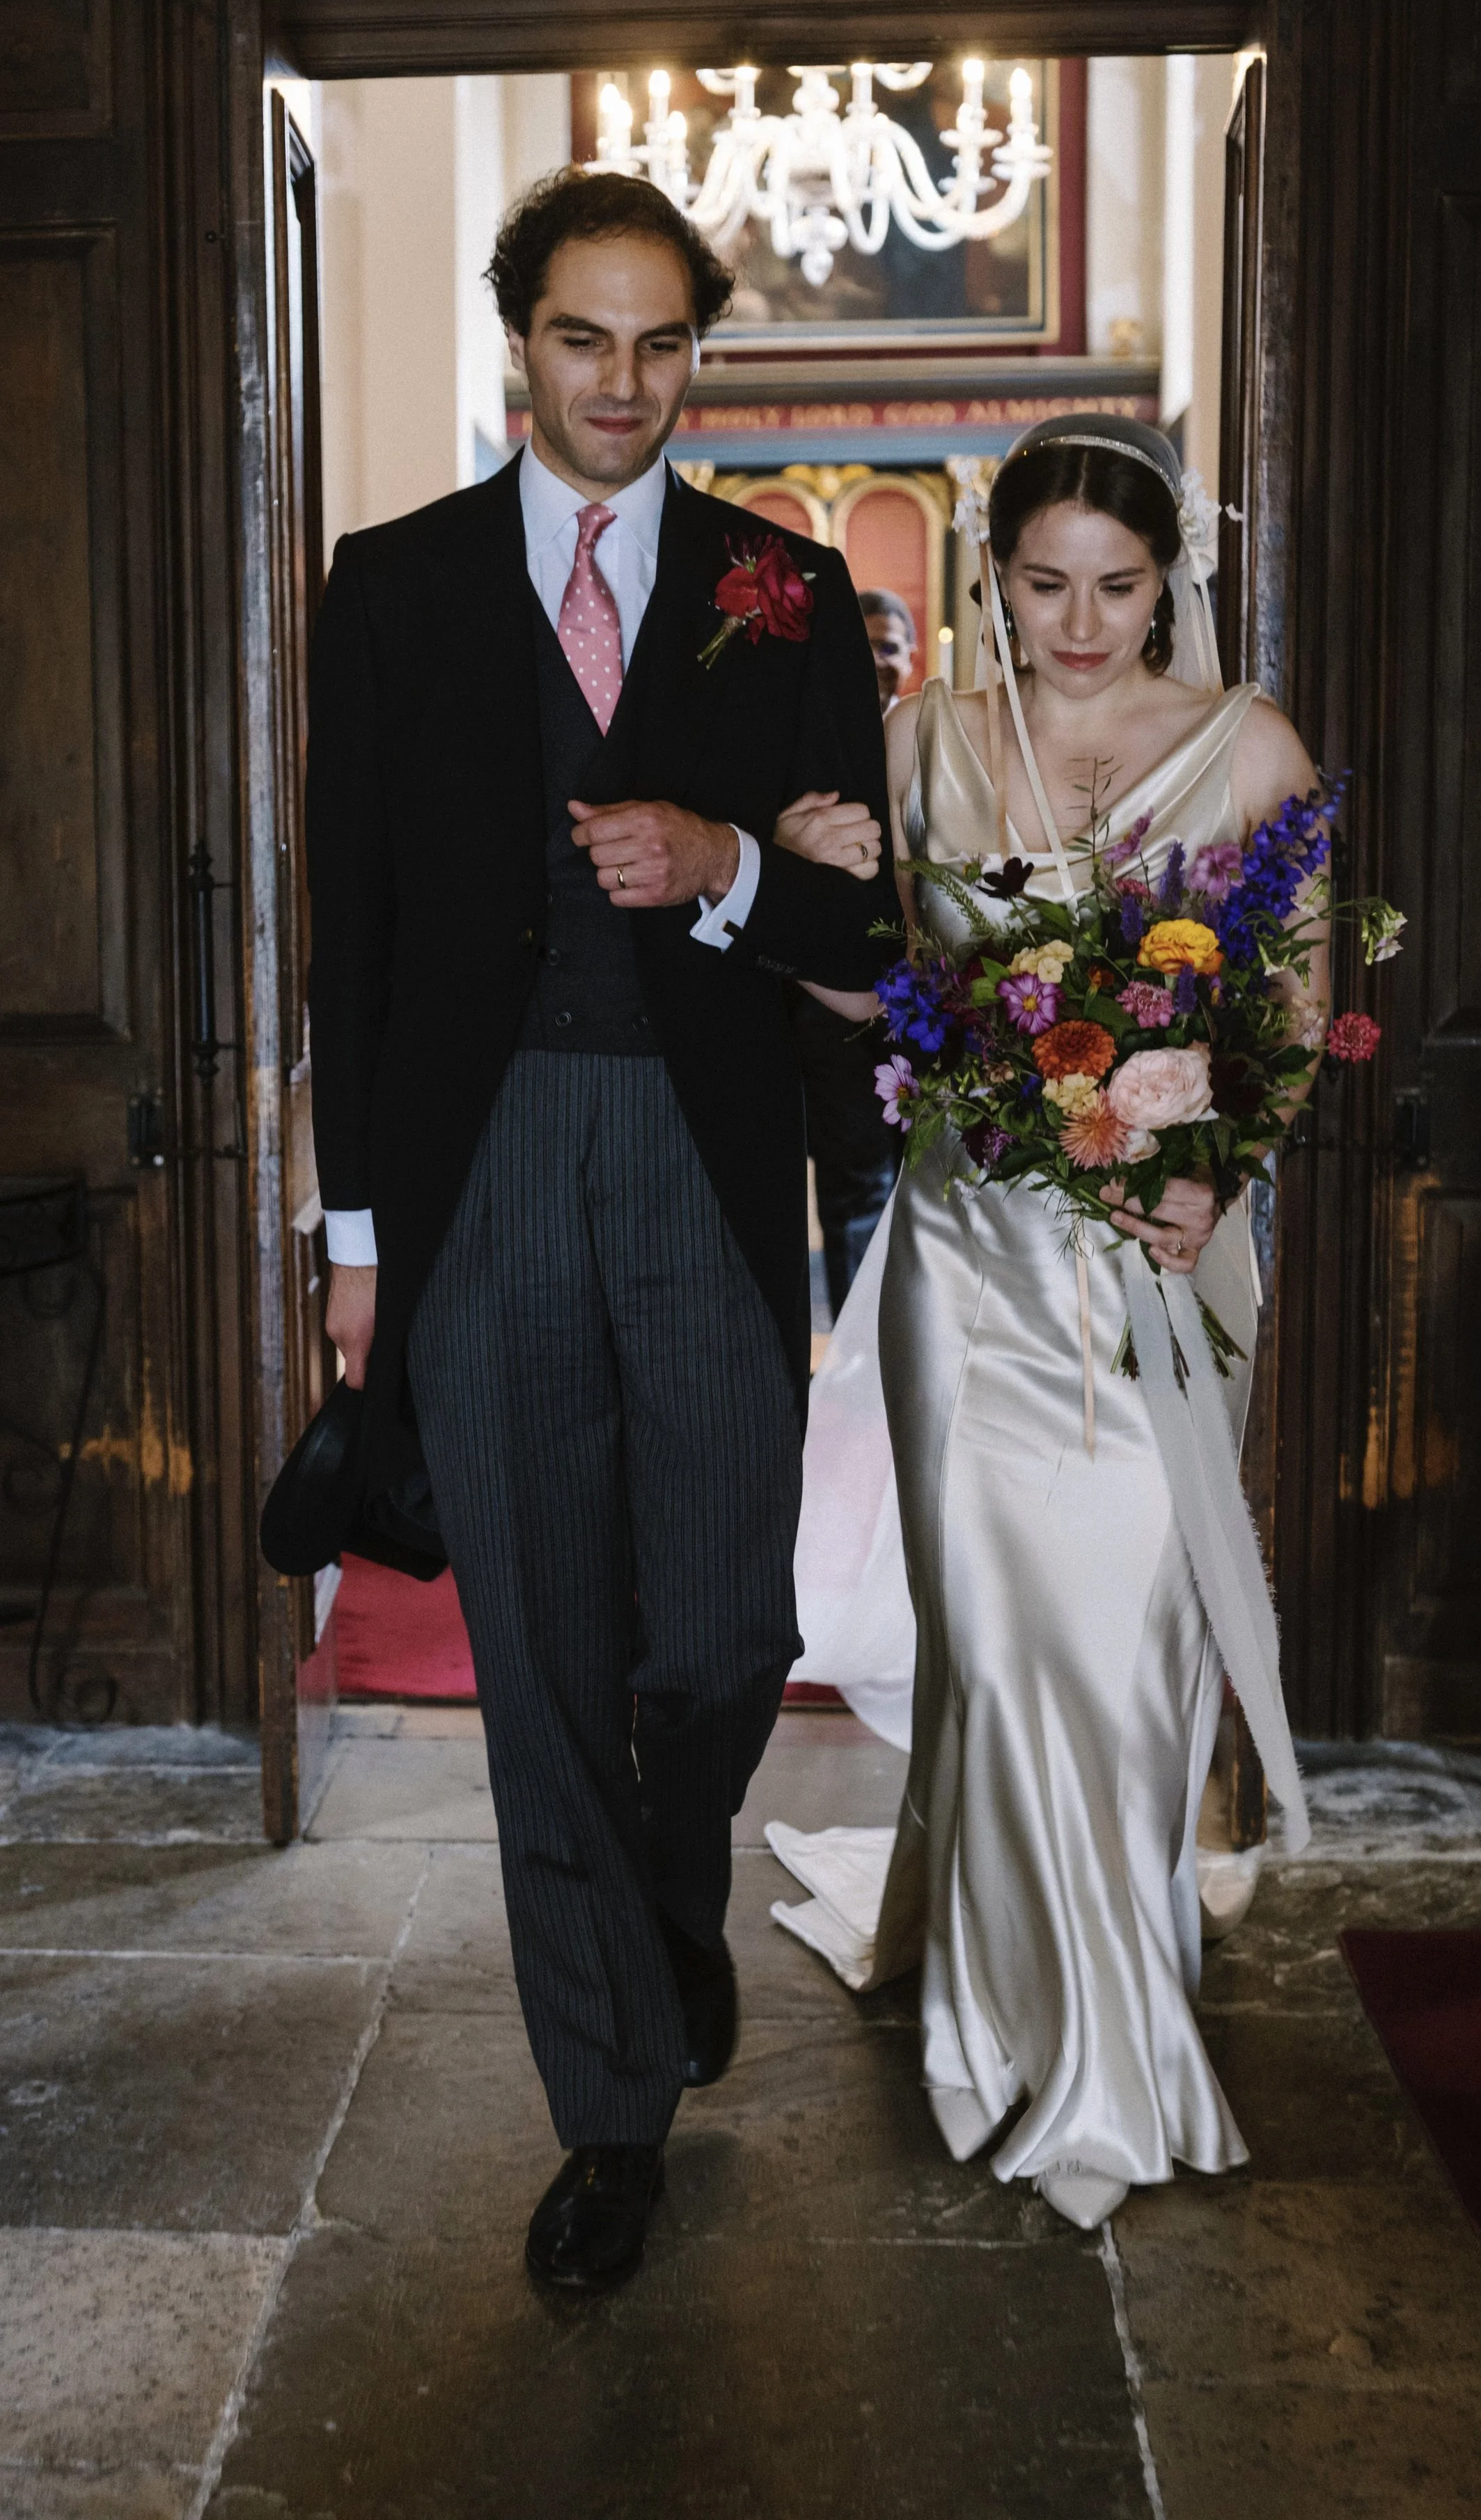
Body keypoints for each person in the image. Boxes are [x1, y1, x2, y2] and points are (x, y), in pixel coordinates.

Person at [303, 168, 897, 2292]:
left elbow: (870, 925)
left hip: (708, 1156)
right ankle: (610, 2109)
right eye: (583, 338)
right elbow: (345, 934)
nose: (623, 384)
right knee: (544, 1652)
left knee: (724, 1627)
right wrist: (356, 1237)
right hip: (475, 1183)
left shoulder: (786, 591)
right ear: (516, 337)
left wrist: (732, 858)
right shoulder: (390, 586)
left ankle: (669, 1882)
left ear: (693, 355)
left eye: (660, 345)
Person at [767, 416, 1321, 2228]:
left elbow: (1294, 1011)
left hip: (1161, 1255)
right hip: (973, 1256)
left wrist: (1213, 1177)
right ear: (988, 578)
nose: (1079, 625)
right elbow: (865, 990)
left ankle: (1117, 1982)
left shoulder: (1246, 755)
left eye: (1119, 589)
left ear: (1172, 585)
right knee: (1002, 1644)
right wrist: (794, 870)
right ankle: (1027, 2024)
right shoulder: (920, 745)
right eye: (1040, 587)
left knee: (1134, 1647)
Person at [786, 589, 917, 1319]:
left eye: (890, 646)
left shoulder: (929, 741)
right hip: (831, 1018)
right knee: (855, 1194)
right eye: (865, 644)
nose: (878, 660)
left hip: (928, 1015)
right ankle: (857, 1370)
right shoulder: (811, 736)